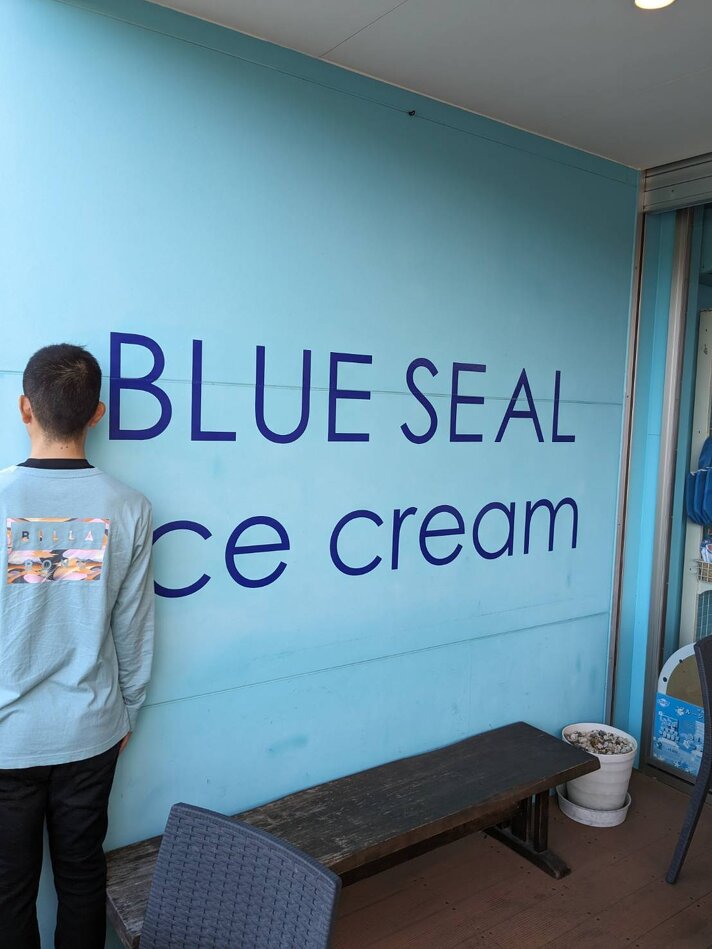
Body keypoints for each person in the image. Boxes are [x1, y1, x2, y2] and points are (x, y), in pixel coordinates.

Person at [0, 344, 155, 949]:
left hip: (7, 738)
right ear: (97, 414)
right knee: (83, 875)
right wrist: (129, 709)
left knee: (8, 891)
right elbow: (133, 627)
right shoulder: (130, 507)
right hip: (92, 728)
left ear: (24, 409)